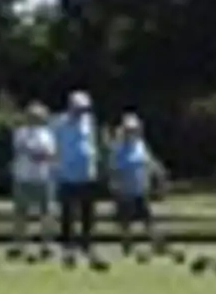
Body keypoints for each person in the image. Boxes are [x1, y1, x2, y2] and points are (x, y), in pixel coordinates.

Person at [51, 91, 102, 262]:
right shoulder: (59, 123)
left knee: (88, 212)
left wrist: (94, 161)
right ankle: (68, 246)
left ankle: (87, 243)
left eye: (84, 109)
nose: (82, 112)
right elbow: (53, 145)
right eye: (79, 108)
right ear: (70, 106)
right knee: (68, 212)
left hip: (86, 173)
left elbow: (92, 143)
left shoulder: (89, 122)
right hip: (67, 173)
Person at [108, 112, 164, 256]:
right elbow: (114, 169)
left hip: (140, 189)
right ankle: (127, 246)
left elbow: (149, 163)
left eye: (134, 129)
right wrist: (116, 186)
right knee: (125, 222)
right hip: (125, 190)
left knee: (148, 219)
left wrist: (155, 179)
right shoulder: (118, 148)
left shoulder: (141, 145)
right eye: (129, 130)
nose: (132, 132)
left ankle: (156, 243)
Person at [10, 101, 58, 253]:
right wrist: (38, 154)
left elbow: (50, 155)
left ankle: (46, 245)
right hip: (23, 177)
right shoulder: (20, 133)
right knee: (21, 213)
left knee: (47, 212)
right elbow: (22, 149)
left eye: (37, 116)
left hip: (43, 177)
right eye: (32, 116)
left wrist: (38, 154)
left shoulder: (47, 134)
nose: (34, 119)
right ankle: (20, 244)